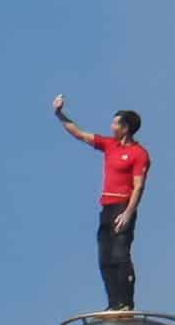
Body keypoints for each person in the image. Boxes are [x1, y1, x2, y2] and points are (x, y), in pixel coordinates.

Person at [52, 95, 150, 311]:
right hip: (106, 207)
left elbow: (139, 186)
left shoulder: (138, 154)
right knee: (105, 257)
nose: (111, 126)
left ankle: (126, 303)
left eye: (116, 123)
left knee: (119, 254)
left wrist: (128, 213)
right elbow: (79, 134)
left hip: (123, 207)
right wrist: (59, 114)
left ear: (126, 128)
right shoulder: (109, 145)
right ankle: (113, 303)